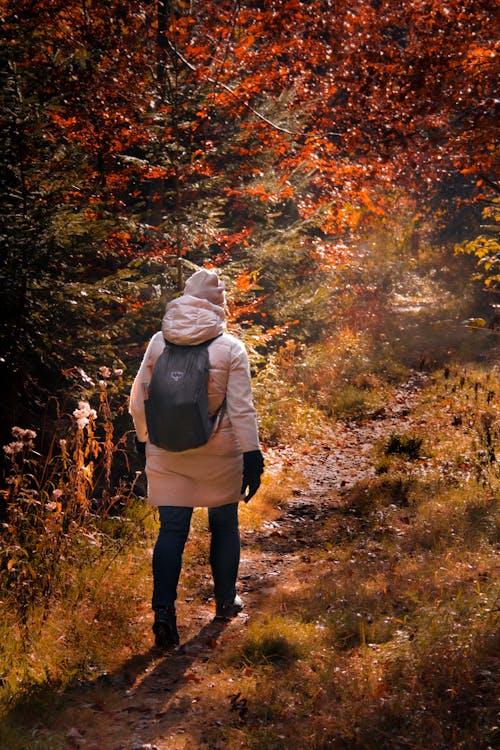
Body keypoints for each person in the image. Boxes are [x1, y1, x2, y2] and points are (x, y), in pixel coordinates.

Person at [129, 268, 264, 648]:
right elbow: (242, 410)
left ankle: (164, 616)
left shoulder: (159, 341)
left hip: (167, 450)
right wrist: (253, 455)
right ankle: (224, 602)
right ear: (219, 303)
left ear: (185, 297)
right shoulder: (230, 347)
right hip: (219, 452)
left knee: (171, 530)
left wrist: (143, 441)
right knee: (224, 523)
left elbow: (138, 399)